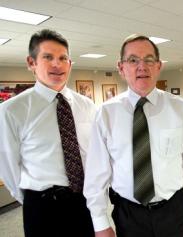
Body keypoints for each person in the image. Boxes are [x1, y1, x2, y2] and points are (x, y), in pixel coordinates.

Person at [83, 35, 183, 237]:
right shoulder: (106, 114)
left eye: (149, 60)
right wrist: (100, 223)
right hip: (129, 214)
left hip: (174, 212)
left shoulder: (180, 109)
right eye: (133, 60)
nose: (142, 66)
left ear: (158, 66)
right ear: (121, 67)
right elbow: (96, 175)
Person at [0, 29, 96, 236]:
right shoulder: (12, 110)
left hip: (84, 202)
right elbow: (7, 165)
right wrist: (33, 199)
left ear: (70, 63)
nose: (57, 64)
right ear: (31, 62)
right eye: (48, 57)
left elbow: (94, 154)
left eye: (63, 58)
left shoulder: (87, 106)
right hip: (43, 207)